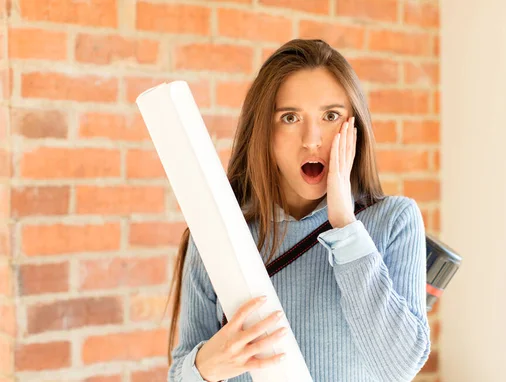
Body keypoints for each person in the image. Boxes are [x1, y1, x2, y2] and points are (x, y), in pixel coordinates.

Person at [167, 39, 431, 382]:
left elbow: (400, 367)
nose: (311, 139)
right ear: (264, 131)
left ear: (354, 127)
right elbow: (179, 373)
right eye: (290, 118)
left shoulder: (394, 221)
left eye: (331, 116)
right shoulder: (218, 234)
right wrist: (205, 367)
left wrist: (345, 227)